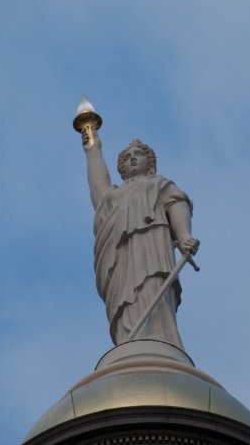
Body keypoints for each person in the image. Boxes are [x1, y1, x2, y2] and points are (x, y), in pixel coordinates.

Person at [82, 132, 199, 349]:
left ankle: (161, 343)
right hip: (120, 259)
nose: (132, 158)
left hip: (152, 249)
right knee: (124, 304)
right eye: (127, 157)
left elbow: (177, 205)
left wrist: (184, 237)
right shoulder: (113, 197)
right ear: (121, 169)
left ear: (150, 164)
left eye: (138, 155)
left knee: (152, 289)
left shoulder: (158, 184)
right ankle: (130, 344)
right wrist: (93, 150)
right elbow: (98, 187)